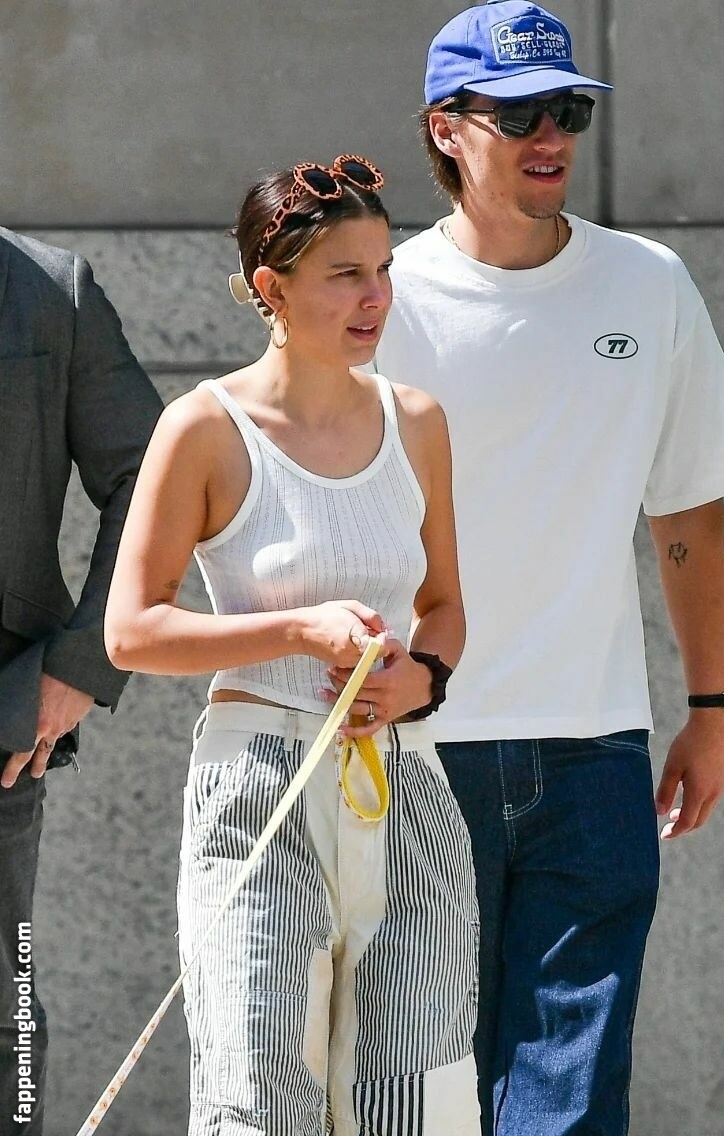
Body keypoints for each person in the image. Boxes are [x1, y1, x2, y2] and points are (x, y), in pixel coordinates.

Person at [368, 2, 724, 1133]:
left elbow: (685, 510)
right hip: (415, 745)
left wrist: (709, 708)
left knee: (572, 1102)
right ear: (446, 129)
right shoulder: (380, 298)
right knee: (420, 1095)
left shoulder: (649, 283)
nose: (551, 136)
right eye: (520, 114)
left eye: (569, 111)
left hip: (594, 750)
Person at [103, 157, 479, 1136]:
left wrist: (422, 679)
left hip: (403, 779)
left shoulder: (417, 422)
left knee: (414, 1097)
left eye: (383, 269)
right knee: (259, 1090)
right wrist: (296, 630)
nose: (376, 297)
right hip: (257, 780)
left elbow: (443, 605)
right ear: (271, 288)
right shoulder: (205, 427)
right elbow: (132, 629)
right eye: (345, 274)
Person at [0, 228, 162, 1135]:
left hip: (0, 720)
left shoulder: (47, 289)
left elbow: (151, 475)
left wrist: (78, 663)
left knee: (4, 1016)